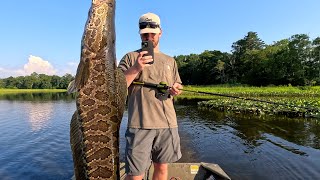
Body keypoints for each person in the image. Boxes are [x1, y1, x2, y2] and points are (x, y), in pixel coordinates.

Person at [118, 12, 183, 180]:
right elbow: (117, 88)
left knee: (161, 168)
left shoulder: (171, 61)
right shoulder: (130, 57)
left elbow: (178, 84)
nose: (148, 38)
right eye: (145, 34)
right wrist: (135, 68)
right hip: (140, 125)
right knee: (135, 174)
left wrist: (176, 88)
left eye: (152, 34)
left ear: (160, 32)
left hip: (168, 124)